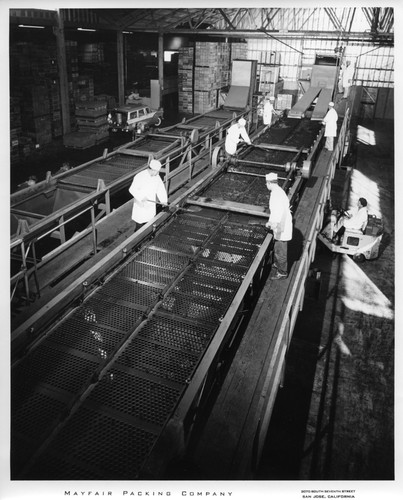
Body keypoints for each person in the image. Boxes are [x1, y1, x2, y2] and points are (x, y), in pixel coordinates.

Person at [265, 172, 293, 280]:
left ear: (269, 183)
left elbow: (277, 212)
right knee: (278, 248)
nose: (266, 185)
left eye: (266, 183)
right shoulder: (279, 191)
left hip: (282, 226)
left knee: (280, 251)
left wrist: (271, 224)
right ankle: (277, 265)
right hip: (283, 224)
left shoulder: (275, 195)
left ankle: (282, 273)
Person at [128, 159, 168, 231]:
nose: (158, 173)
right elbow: (132, 189)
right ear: (153, 170)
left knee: (149, 223)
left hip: (151, 206)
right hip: (141, 206)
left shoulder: (157, 177)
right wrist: (141, 197)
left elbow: (160, 189)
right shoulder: (140, 176)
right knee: (140, 225)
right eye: (157, 171)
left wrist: (164, 200)